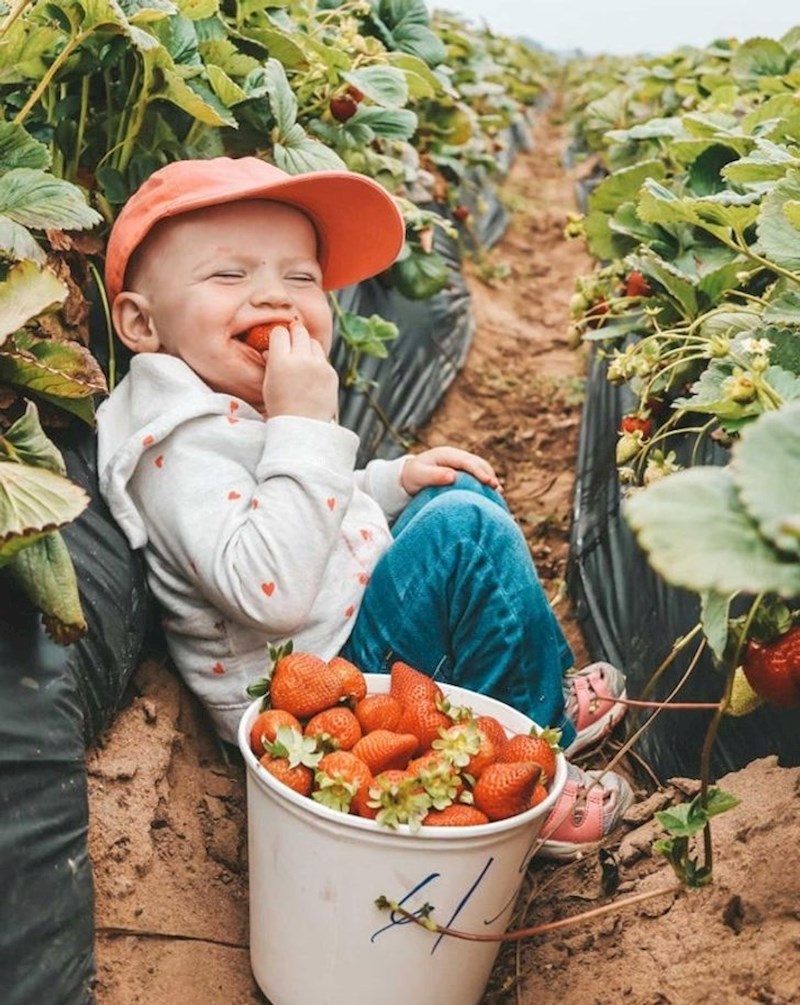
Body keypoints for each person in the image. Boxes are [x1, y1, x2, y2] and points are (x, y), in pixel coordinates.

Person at [96, 156, 633, 858]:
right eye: (230, 275)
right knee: (463, 534)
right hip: (319, 694)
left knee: (453, 495)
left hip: (341, 627)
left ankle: (540, 703)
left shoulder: (221, 398)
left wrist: (391, 479)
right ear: (140, 323)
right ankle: (524, 782)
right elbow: (273, 592)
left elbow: (306, 500)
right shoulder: (173, 450)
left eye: (300, 277)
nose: (275, 298)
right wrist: (306, 423)